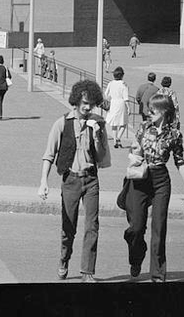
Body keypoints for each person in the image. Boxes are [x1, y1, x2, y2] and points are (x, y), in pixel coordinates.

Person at [38, 79, 109, 283]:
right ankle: (64, 258)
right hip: (70, 179)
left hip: (91, 180)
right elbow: (48, 155)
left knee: (92, 225)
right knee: (69, 227)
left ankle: (87, 272)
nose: (88, 107)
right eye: (84, 103)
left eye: (91, 104)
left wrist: (98, 135)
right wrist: (43, 182)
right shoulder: (62, 123)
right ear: (76, 101)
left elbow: (103, 156)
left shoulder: (97, 123)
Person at [123, 94, 184, 282]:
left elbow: (179, 160)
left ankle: (157, 275)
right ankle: (136, 257)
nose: (149, 112)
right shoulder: (143, 127)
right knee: (136, 228)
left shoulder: (175, 134)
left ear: (164, 112)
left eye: (153, 109)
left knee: (159, 228)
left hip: (161, 179)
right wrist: (134, 155)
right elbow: (134, 149)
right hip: (140, 179)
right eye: (149, 108)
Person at [104, 66, 129, 148]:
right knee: (123, 122)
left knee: (114, 123)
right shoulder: (123, 84)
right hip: (121, 103)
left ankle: (115, 140)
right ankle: (118, 137)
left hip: (113, 103)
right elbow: (126, 97)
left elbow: (106, 94)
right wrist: (129, 107)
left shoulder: (111, 83)